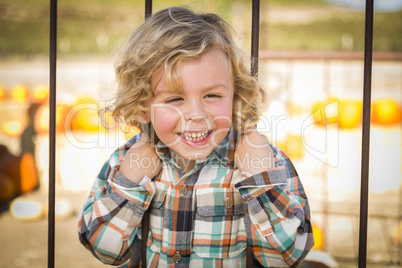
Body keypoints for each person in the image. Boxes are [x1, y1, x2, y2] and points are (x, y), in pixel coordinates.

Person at [78, 6, 314, 267]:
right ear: (144, 105)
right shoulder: (128, 160)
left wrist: (260, 181)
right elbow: (104, 250)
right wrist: (130, 184)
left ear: (235, 96)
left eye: (212, 95)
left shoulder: (264, 160)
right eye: (175, 99)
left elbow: (289, 255)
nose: (196, 114)